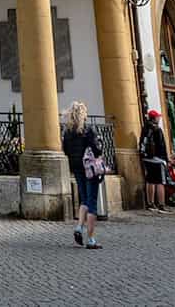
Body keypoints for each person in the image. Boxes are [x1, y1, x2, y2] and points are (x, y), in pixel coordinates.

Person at [62, 100, 106, 249]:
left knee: (84, 199)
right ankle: (91, 239)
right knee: (92, 202)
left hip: (76, 168)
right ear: (83, 115)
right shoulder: (88, 130)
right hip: (89, 169)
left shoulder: (67, 132)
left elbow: (65, 150)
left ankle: (79, 227)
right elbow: (97, 149)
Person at [139, 109, 169, 212]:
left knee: (150, 181)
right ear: (155, 118)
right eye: (158, 117)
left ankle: (150, 204)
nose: (159, 118)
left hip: (146, 158)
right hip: (157, 158)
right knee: (160, 182)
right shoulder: (157, 129)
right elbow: (161, 145)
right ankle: (161, 205)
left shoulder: (145, 128)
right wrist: (165, 159)